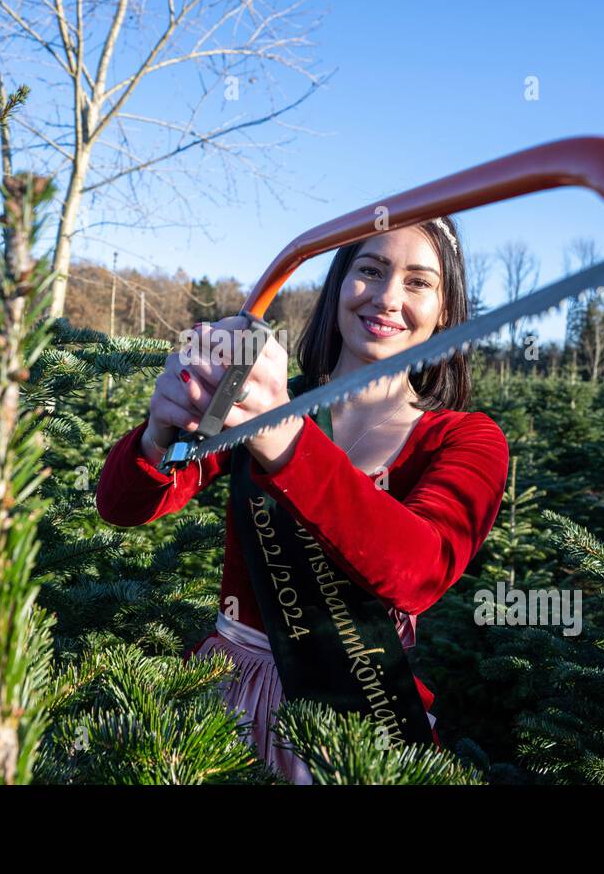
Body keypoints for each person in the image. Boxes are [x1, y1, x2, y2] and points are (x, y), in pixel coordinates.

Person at [95, 215, 509, 784]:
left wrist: (285, 439)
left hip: (363, 714)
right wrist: (157, 433)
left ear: (445, 311)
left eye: (418, 282)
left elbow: (419, 569)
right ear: (339, 284)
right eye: (370, 269)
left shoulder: (466, 438)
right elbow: (123, 504)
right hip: (223, 695)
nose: (387, 298)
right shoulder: (263, 402)